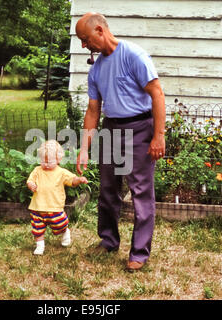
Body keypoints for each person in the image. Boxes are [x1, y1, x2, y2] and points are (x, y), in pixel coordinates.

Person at [75, 13, 166, 272]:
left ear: (100, 31)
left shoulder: (133, 55)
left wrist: (158, 136)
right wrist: (84, 149)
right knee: (107, 188)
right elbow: (93, 110)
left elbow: (157, 93)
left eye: (85, 39)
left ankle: (139, 252)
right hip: (111, 128)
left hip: (140, 127)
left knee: (140, 192)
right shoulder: (97, 69)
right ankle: (108, 240)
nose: (84, 46)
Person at [27, 140, 88, 255]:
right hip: (37, 207)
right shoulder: (37, 170)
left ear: (58, 160)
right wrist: (31, 185)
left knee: (60, 224)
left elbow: (72, 180)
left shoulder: (61, 172)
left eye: (49, 161)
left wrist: (79, 180)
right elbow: (30, 180)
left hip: (55, 207)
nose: (45, 164)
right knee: (37, 228)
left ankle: (65, 231)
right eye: (42, 161)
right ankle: (40, 246)